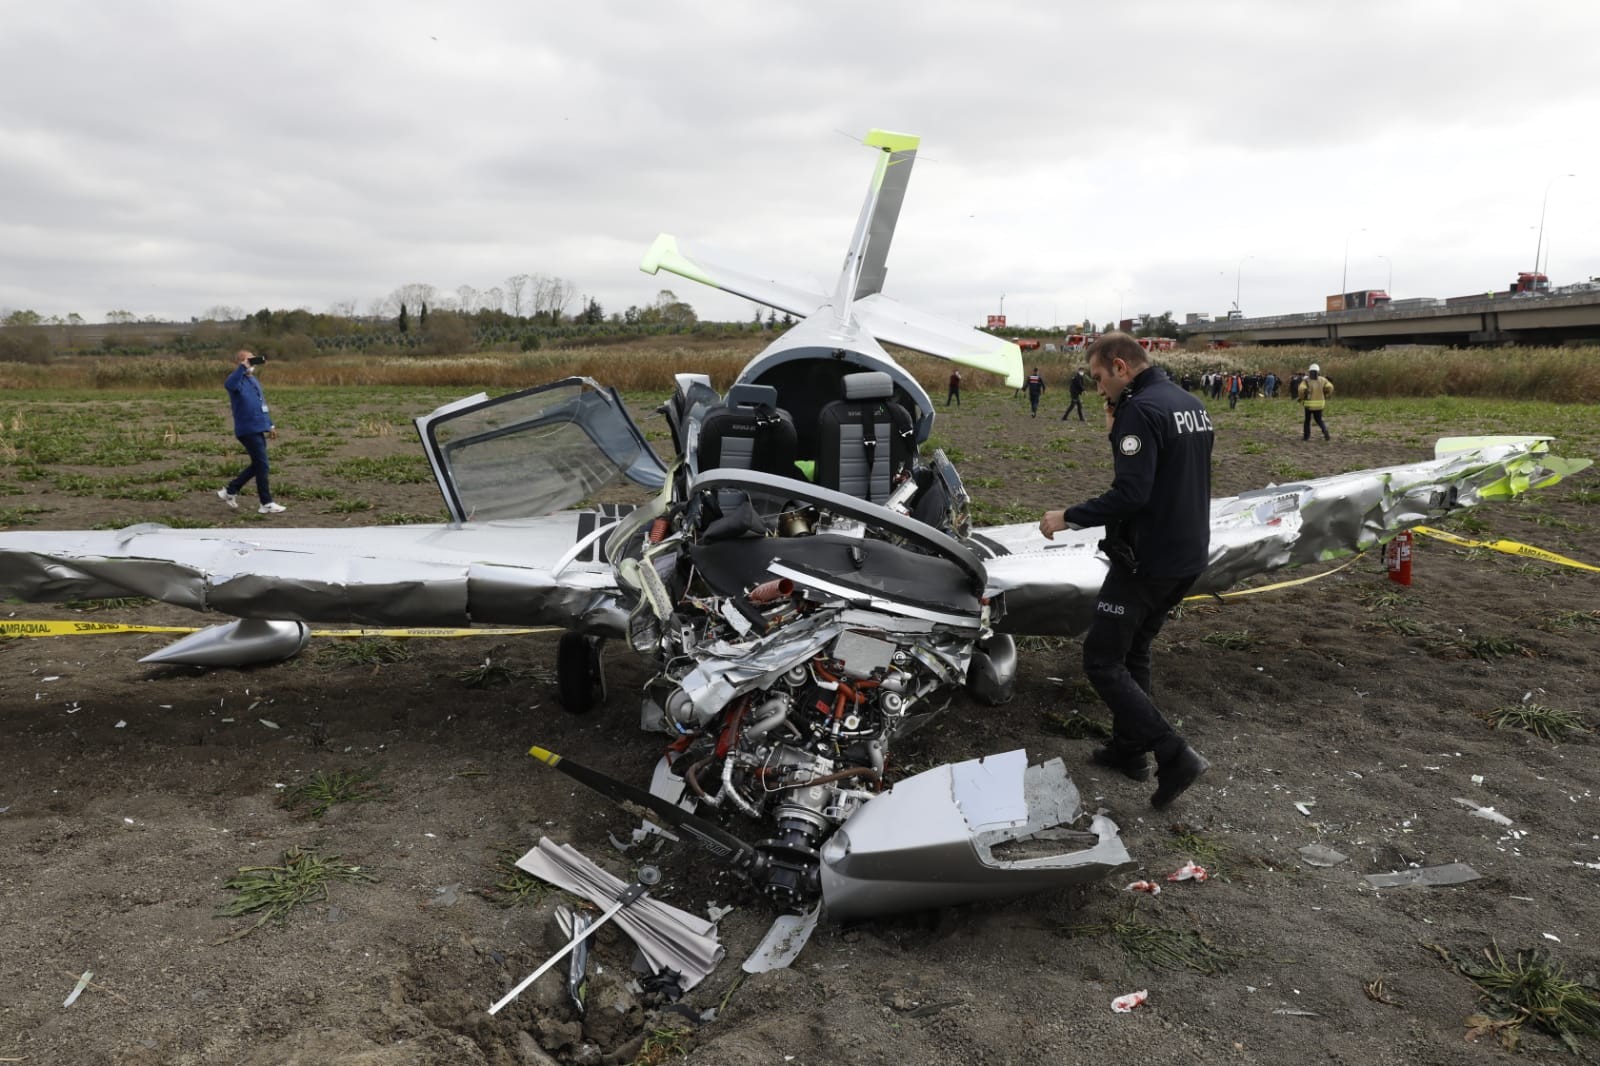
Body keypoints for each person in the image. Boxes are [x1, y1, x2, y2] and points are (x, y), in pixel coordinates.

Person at [1038, 332, 1212, 808]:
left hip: (1147, 559)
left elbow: (1132, 493)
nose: (1098, 391)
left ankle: (1173, 753)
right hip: (1189, 553)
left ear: (1120, 366)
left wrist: (1067, 516)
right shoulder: (1190, 403)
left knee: (1100, 659)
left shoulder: (1141, 410)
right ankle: (1128, 749)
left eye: (1099, 378)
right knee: (1135, 650)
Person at [218, 349, 286, 514]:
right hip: (246, 429)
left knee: (258, 465)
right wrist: (242, 368)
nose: (252, 364)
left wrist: (270, 425)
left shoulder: (253, 380)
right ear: (241, 362)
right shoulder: (236, 380)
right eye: (249, 360)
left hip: (258, 427)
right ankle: (266, 503)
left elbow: (261, 403)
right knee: (262, 465)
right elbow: (229, 385)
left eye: (253, 360)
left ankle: (230, 490)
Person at [1298, 362, 1334, 440]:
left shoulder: (1306, 380)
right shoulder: (1323, 380)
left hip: (1308, 405)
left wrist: (1303, 394)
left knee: (1307, 421)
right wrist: (1326, 393)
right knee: (1319, 420)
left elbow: (1301, 389)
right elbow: (1330, 387)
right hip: (1320, 404)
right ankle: (1325, 431)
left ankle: (1306, 437)